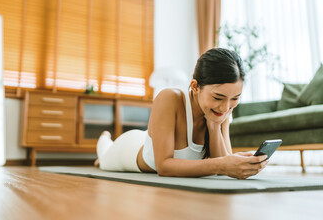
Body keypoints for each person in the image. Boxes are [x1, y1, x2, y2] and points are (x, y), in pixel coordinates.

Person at [95, 48, 268, 180]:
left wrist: (215, 126)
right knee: (104, 154)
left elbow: (223, 165)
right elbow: (164, 166)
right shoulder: (169, 98)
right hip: (127, 150)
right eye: (218, 97)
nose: (225, 107)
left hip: (148, 139)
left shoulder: (221, 109)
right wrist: (224, 164)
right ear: (195, 86)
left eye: (235, 98)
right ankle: (104, 137)